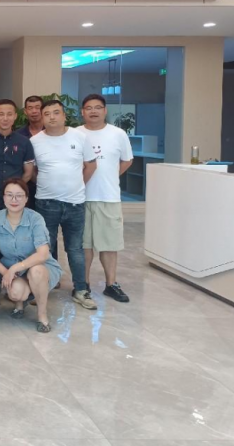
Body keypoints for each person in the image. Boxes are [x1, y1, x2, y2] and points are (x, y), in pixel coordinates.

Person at [31, 99, 98, 310]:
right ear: (42, 118)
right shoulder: (35, 141)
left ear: (64, 115)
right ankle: (46, 286)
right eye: (47, 114)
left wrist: (77, 185)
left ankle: (81, 290)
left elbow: (91, 166)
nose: (52, 117)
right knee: (46, 247)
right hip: (46, 203)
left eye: (56, 112)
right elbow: (32, 171)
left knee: (75, 248)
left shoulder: (80, 137)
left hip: (75, 203)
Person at [0, 99, 35, 306]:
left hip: (15, 203)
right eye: (0, 114)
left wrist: (14, 192)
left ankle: (20, 284)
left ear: (15, 116)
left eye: (9, 114)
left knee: (17, 242)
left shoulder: (24, 142)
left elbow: (28, 172)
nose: (4, 118)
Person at [77, 94, 134, 303]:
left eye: (98, 107)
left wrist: (110, 176)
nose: (93, 111)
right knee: (84, 245)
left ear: (105, 110)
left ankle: (111, 284)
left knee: (110, 244)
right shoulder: (75, 134)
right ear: (82, 112)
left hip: (108, 197)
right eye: (89, 108)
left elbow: (127, 160)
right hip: (80, 198)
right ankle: (83, 284)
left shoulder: (118, 134)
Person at [0, 178, 62, 333]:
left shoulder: (35, 218)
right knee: (16, 293)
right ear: (3, 197)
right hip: (12, 268)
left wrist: (15, 268)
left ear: (26, 198)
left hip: (41, 267)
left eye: (19, 196)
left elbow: (43, 254)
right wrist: (6, 272)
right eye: (9, 195)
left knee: (36, 271)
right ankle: (20, 304)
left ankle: (42, 315)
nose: (14, 200)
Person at [17, 95, 45, 210]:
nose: (34, 111)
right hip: (27, 187)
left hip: (49, 188)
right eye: (30, 108)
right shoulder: (18, 135)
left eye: (38, 107)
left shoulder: (52, 132)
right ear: (25, 111)